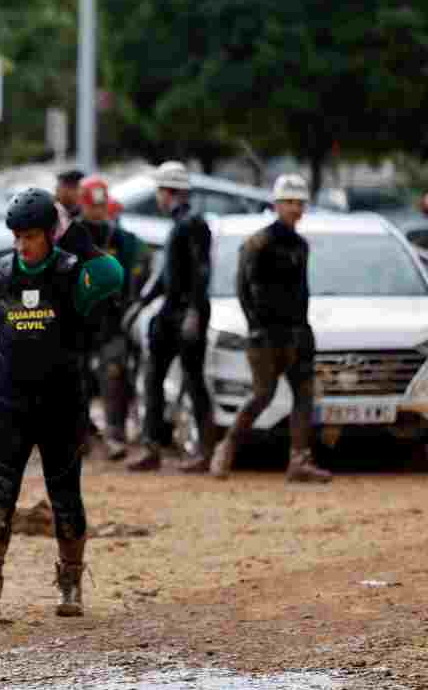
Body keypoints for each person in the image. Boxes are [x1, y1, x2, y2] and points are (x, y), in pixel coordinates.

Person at [0, 188, 124, 622]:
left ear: (49, 235)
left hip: (61, 403)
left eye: (33, 235)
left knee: (65, 496)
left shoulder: (72, 273)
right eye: (18, 235)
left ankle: (71, 582)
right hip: (10, 404)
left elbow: (112, 274)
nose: (23, 244)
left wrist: (74, 233)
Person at [211, 175, 331, 483]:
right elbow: (244, 289)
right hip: (266, 336)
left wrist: (304, 329)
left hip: (297, 334)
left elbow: (301, 292)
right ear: (276, 205)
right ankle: (226, 447)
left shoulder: (301, 246)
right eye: (289, 202)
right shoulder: (258, 243)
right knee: (263, 395)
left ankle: (299, 461)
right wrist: (257, 327)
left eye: (299, 203)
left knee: (304, 396)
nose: (295, 208)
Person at [126, 161, 215, 472]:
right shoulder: (177, 226)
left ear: (168, 192)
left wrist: (192, 312)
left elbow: (202, 272)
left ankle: (204, 453)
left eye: (160, 192)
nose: (158, 199)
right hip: (170, 312)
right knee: (153, 377)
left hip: (187, 312)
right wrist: (140, 303)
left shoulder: (194, 224)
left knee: (193, 380)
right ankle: (152, 446)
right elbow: (167, 276)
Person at [76, 176, 145, 460]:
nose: (99, 211)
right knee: (75, 377)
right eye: (94, 206)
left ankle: (114, 434)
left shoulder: (119, 238)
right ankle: (79, 435)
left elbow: (135, 270)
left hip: (111, 319)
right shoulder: (71, 236)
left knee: (114, 375)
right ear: (83, 204)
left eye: (102, 206)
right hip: (78, 319)